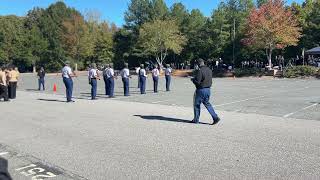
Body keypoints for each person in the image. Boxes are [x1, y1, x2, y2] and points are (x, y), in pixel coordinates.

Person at [191, 58, 220, 125]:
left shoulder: (200, 71)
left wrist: (193, 80)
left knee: (196, 105)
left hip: (201, 90)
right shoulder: (209, 70)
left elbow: (197, 82)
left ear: (198, 64)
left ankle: (196, 119)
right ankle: (215, 117)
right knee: (207, 103)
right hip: (208, 89)